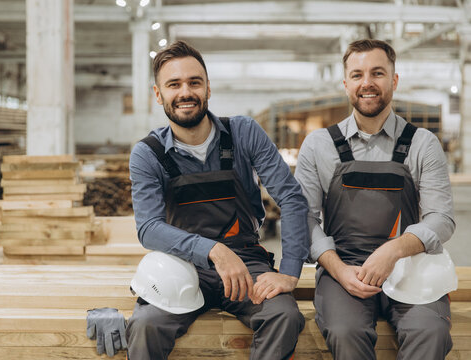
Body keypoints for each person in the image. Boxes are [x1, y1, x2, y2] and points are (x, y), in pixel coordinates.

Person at [126, 40, 309, 360]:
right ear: (158, 95)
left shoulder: (243, 133)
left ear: (208, 88)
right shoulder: (148, 154)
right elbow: (149, 228)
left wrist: (290, 271)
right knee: (145, 325)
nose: (185, 92)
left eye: (194, 82)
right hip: (179, 267)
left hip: (246, 263)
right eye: (174, 84)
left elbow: (292, 198)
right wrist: (212, 250)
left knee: (284, 316)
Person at [294, 39, 455, 359]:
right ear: (345, 84)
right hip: (344, 271)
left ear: (394, 80)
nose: (367, 83)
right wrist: (337, 269)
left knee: (430, 331)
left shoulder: (423, 143)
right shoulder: (318, 145)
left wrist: (394, 250)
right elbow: (304, 220)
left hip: (412, 267)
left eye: (377, 73)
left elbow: (442, 218)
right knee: (345, 331)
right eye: (357, 75)